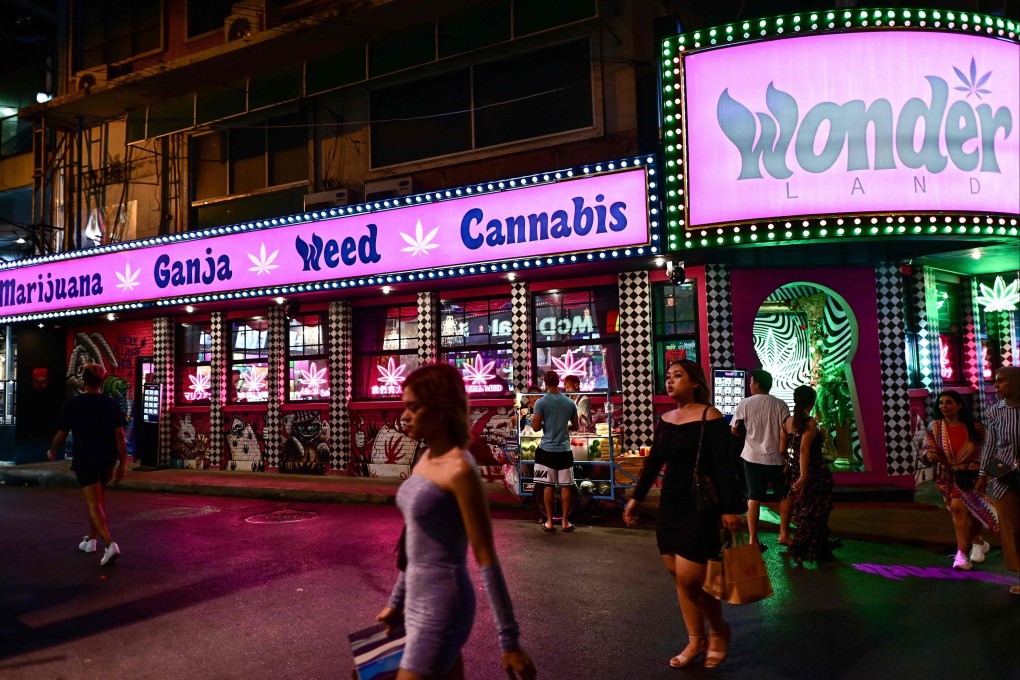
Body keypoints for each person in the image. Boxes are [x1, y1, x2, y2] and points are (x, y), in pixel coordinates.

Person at [376, 363, 537, 679]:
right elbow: (414, 543)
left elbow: (486, 557)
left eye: (413, 407)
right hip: (416, 602)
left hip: (443, 604)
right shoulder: (426, 457)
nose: (404, 416)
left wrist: (509, 641)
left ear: (441, 409)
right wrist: (397, 602)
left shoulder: (461, 471)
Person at [624, 359, 743, 669]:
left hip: (700, 504)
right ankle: (696, 641)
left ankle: (718, 631)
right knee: (679, 575)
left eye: (678, 375)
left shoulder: (710, 416)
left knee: (691, 577)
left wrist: (731, 508)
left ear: (694, 382)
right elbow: (654, 463)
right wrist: (636, 498)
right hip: (671, 504)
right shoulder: (665, 419)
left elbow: (724, 465)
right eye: (668, 376)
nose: (670, 380)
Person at [46, 362, 128, 567]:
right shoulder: (111, 404)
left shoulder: (72, 405)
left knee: (93, 503)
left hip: (86, 458)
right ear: (102, 381)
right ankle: (91, 541)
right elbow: (120, 435)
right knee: (98, 502)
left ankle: (110, 545)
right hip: (107, 459)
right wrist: (122, 463)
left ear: (84, 380)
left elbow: (61, 434)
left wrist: (52, 450)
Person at [923, 390, 997, 570]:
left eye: (948, 402)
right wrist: (930, 456)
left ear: (959, 405)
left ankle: (962, 555)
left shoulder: (976, 427)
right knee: (964, 511)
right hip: (947, 476)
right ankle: (978, 542)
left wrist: (984, 474)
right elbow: (928, 448)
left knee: (964, 510)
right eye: (941, 403)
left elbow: (988, 451)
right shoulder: (935, 427)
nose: (944, 406)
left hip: (972, 477)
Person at [731, 369, 791, 550]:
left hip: (751, 457)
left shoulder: (745, 403)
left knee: (754, 497)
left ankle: (753, 539)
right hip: (775, 458)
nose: (750, 384)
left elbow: (734, 429)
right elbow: (785, 431)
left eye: (751, 382)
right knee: (785, 495)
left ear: (757, 384)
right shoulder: (781, 405)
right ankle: (784, 535)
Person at [780, 386, 839, 566]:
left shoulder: (786, 422)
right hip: (814, 472)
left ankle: (819, 549)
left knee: (807, 510)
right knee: (817, 510)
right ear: (812, 403)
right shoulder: (810, 422)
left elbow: (782, 450)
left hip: (795, 471)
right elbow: (805, 448)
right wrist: (804, 475)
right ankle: (799, 547)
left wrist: (792, 468)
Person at [977, 366, 1020, 596]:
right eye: (995, 381)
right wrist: (982, 475)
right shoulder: (996, 411)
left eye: (1001, 381)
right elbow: (990, 446)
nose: (996, 386)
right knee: (1011, 528)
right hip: (1005, 478)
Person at [530, 370, 579, 532]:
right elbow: (576, 426)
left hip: (546, 451)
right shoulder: (570, 403)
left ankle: (550, 522)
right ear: (559, 382)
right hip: (564, 450)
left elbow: (535, 427)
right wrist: (562, 425)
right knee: (566, 486)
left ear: (545, 383)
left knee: (547, 486)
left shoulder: (541, 402)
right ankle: (565, 522)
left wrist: (546, 424)